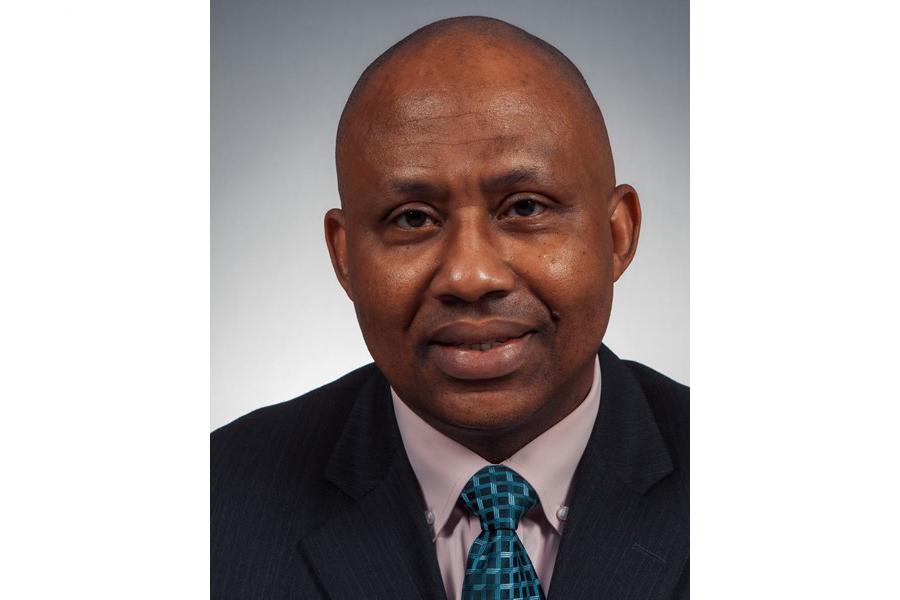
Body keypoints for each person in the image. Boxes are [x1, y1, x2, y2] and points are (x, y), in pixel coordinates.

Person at [212, 16, 688, 600]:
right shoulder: (214, 505)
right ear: (344, 257)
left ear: (618, 234)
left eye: (525, 207)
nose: (470, 275)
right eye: (412, 218)